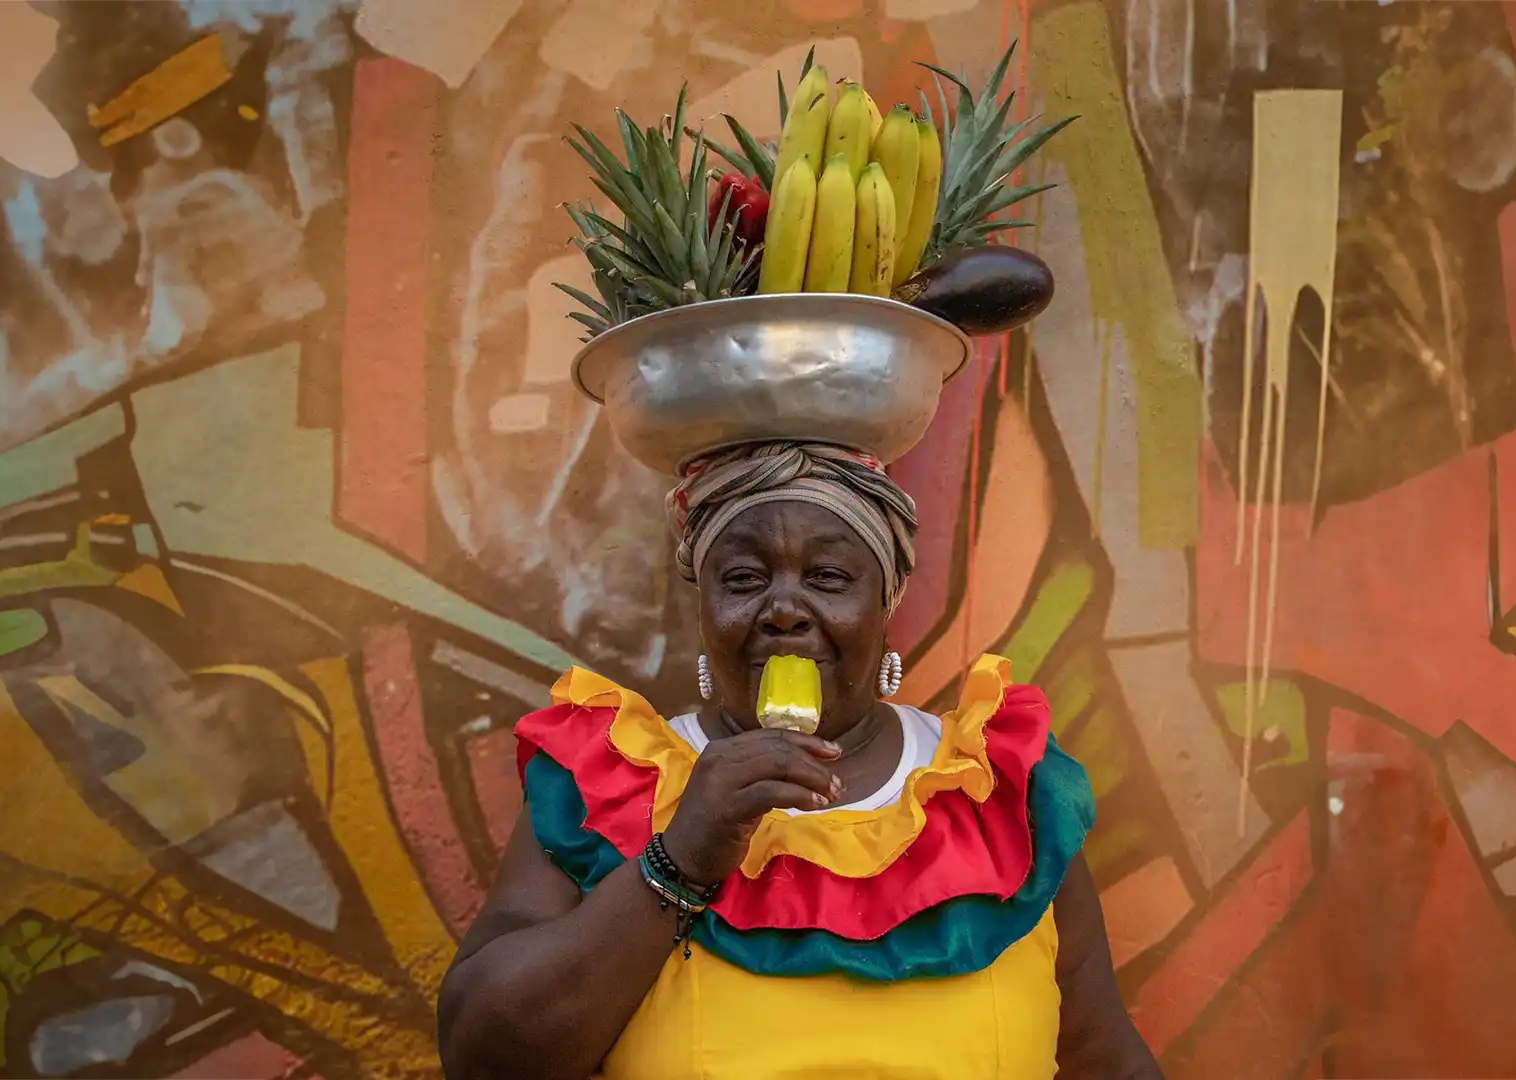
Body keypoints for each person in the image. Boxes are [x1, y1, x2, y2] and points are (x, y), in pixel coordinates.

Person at [438, 442, 1166, 1079]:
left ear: (887, 606)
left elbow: (1108, 1062)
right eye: (745, 579)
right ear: (703, 610)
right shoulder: (606, 781)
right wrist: (679, 859)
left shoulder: (1001, 791)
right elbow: (484, 1055)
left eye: (828, 579)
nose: (784, 608)